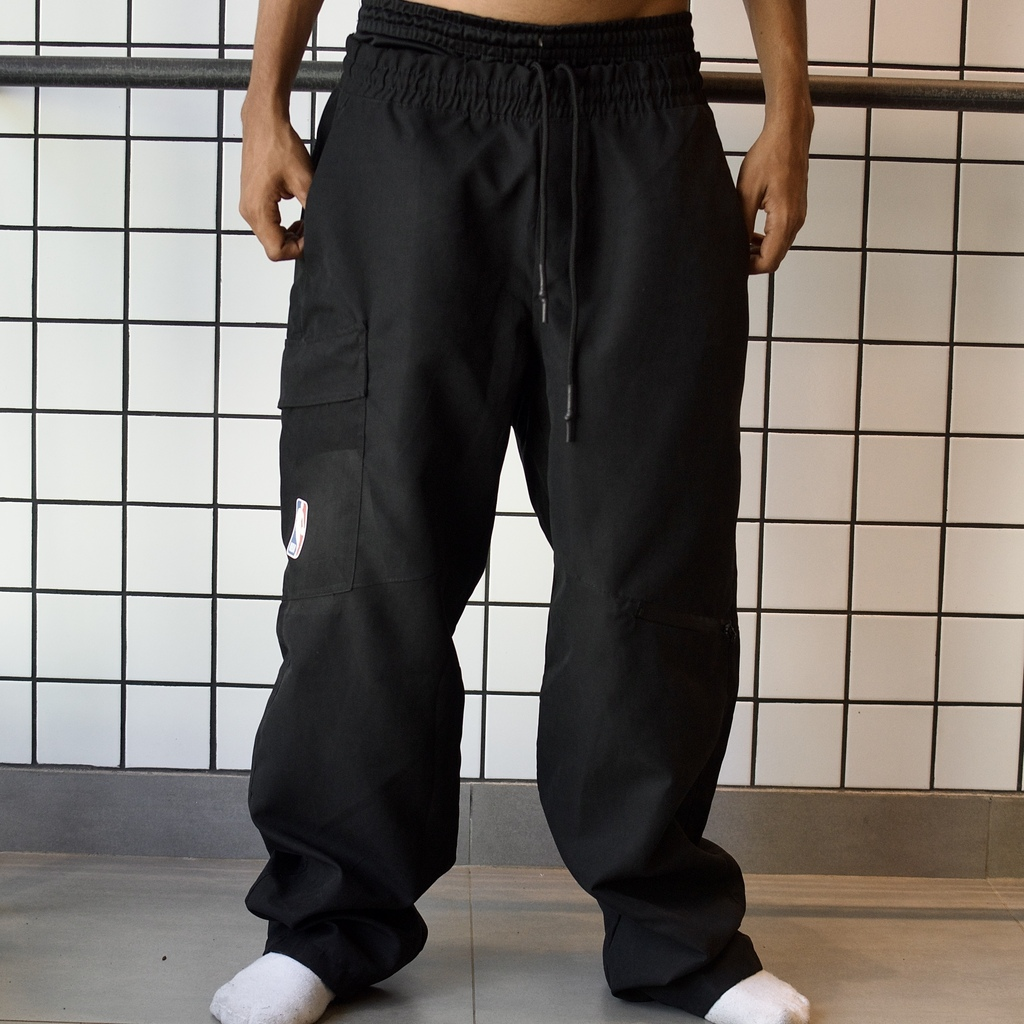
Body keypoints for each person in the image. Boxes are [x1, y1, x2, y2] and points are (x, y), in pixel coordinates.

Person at [211, 1, 813, 1022]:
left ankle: (672, 930)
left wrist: (790, 110)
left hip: (639, 103)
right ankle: (325, 921)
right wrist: (263, 99)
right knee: (368, 538)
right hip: (413, 95)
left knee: (649, 542)